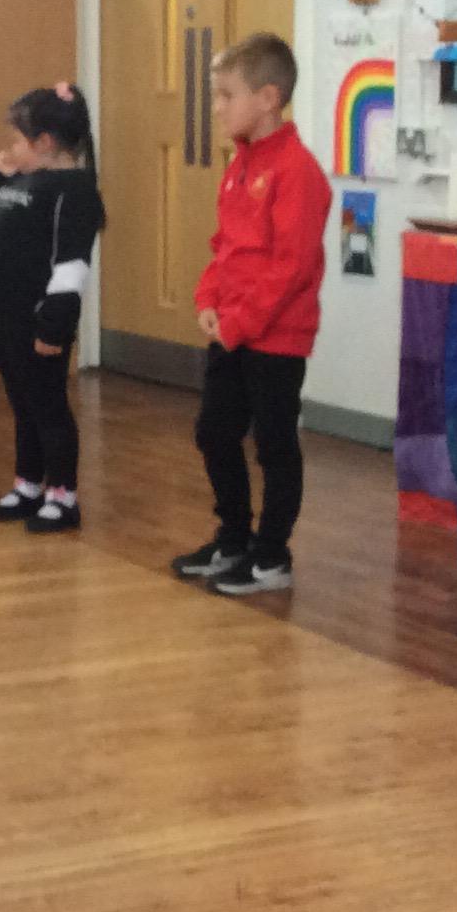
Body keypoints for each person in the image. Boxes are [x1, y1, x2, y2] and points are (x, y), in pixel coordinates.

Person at [171, 34, 332, 598]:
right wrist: (208, 300)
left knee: (274, 443)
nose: (216, 107)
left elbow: (291, 267)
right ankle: (233, 537)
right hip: (233, 330)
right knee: (214, 432)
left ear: (267, 98)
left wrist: (239, 322)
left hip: (275, 337)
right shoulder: (240, 165)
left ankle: (272, 555)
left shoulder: (296, 171)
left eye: (226, 95)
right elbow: (226, 246)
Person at [0, 83, 104, 535]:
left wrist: (54, 327)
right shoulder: (19, 179)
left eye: (16, 140)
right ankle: (28, 484)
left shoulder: (73, 190)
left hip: (38, 322)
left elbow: (71, 265)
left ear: (44, 142)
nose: (9, 149)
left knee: (47, 406)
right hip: (2, 316)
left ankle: (62, 495)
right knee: (22, 403)